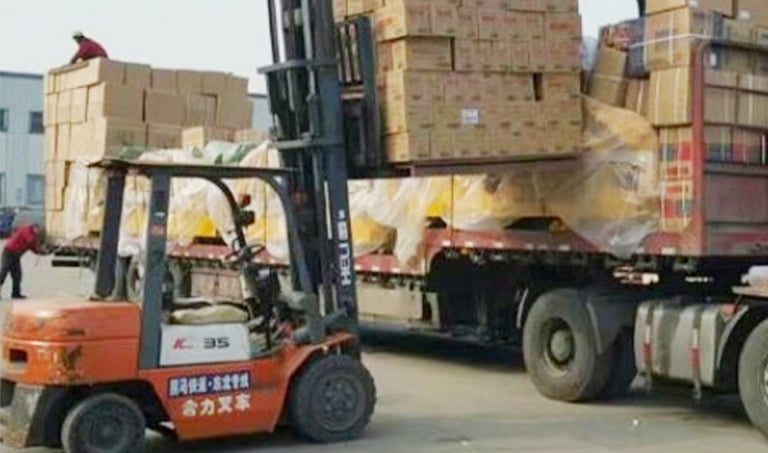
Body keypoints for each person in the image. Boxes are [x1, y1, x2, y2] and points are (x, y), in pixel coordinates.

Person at [0, 223, 46, 299]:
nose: (38, 232)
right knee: (3, 272)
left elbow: (35, 249)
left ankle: (15, 294)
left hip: (16, 256)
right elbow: (29, 239)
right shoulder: (26, 229)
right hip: (9, 252)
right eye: (37, 230)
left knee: (17, 275)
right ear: (34, 227)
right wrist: (38, 243)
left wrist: (46, 252)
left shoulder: (33, 237)